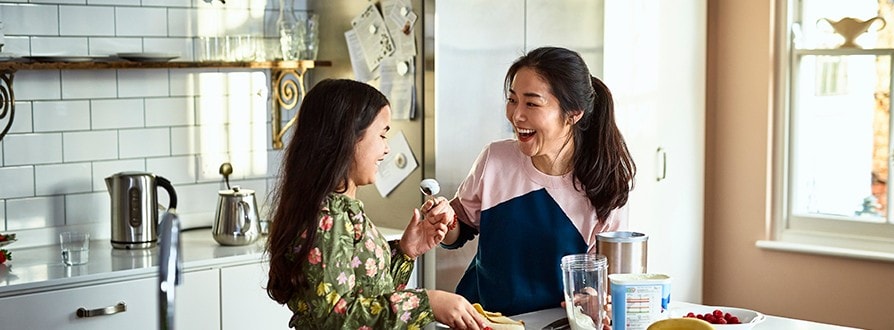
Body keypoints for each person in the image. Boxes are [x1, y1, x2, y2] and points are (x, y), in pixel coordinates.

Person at [265, 79, 487, 330]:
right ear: (347, 138)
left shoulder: (343, 211)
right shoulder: (328, 220)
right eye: (381, 135)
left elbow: (369, 296)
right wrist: (427, 303)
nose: (386, 149)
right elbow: (336, 319)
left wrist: (405, 251)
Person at [432, 46, 637, 316]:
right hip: (482, 318)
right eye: (512, 100)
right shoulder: (495, 158)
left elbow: (600, 284)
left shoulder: (604, 186)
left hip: (553, 322)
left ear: (574, 113)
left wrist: (592, 298)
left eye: (532, 103)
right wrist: (443, 219)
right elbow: (460, 229)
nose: (516, 115)